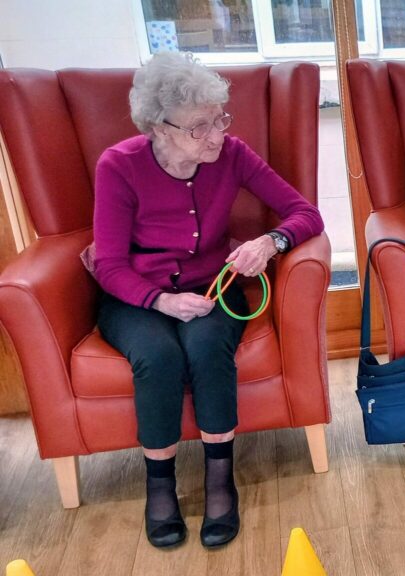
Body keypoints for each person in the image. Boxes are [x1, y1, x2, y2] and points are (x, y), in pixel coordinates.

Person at [91, 52, 323, 548]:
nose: (216, 134)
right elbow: (108, 264)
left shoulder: (233, 154)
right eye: (200, 127)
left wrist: (271, 243)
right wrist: (158, 300)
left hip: (211, 286)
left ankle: (220, 478)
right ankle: (160, 486)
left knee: (205, 349)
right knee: (157, 356)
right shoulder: (119, 166)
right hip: (136, 295)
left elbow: (305, 213)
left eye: (219, 117)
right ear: (159, 128)